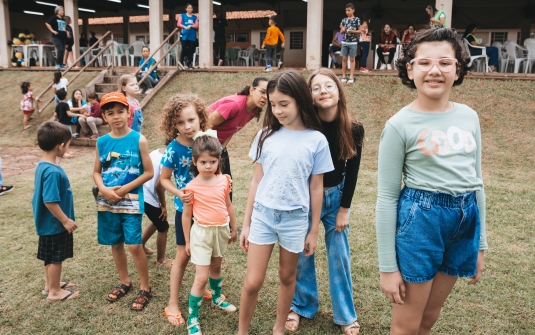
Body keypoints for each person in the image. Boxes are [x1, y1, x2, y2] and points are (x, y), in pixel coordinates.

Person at [378, 28, 487, 333]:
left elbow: (476, 181)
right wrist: (388, 268)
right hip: (421, 220)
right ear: (410, 69)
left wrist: (480, 244)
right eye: (424, 63)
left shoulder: (469, 116)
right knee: (407, 324)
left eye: (445, 62)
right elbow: (386, 197)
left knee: (430, 316)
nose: (435, 70)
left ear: (458, 69)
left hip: (464, 220)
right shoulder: (399, 125)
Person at [237, 70, 334, 335]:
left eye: (284, 104)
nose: (278, 110)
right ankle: (242, 331)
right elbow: (256, 181)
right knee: (253, 280)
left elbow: (317, 187)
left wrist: (313, 230)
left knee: (287, 276)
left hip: (295, 220)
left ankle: (279, 328)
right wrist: (246, 224)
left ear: (300, 100)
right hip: (263, 216)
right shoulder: (265, 135)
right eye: (273, 104)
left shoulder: (316, 140)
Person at [286, 68, 364, 335]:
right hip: (305, 198)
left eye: (328, 86)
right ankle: (301, 305)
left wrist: (344, 209)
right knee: (303, 255)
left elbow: (352, 170)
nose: (323, 91)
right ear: (309, 96)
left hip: (336, 197)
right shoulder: (305, 126)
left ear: (338, 91)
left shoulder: (353, 127)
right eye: (316, 87)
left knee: (339, 256)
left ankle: (345, 315)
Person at [160, 94, 221, 326]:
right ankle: (173, 303)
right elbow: (164, 179)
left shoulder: (207, 141)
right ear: (173, 124)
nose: (187, 126)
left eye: (191, 120)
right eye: (180, 122)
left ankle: (204, 287)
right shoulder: (173, 149)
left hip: (209, 212)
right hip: (185, 212)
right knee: (183, 255)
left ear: (200, 117)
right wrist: (179, 193)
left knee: (207, 253)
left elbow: (219, 167)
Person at [93, 92, 154, 311]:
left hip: (131, 201)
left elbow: (149, 172)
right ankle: (125, 281)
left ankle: (145, 287)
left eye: (121, 111)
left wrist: (125, 188)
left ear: (129, 112)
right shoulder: (102, 142)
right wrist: (103, 189)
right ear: (105, 117)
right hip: (107, 201)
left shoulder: (139, 139)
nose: (116, 116)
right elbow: (97, 172)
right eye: (111, 113)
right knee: (115, 243)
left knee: (134, 244)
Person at [182, 131, 239, 335]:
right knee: (201, 276)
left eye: (212, 161)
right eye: (203, 162)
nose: (208, 166)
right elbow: (186, 216)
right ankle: (192, 318)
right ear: (195, 162)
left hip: (221, 231)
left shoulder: (224, 180)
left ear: (218, 160)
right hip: (201, 234)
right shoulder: (191, 188)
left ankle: (217, 298)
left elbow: (229, 205)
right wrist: (188, 241)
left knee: (217, 266)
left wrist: (233, 228)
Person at [32, 121, 80, 301]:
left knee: (49, 256)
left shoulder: (43, 165)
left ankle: (50, 284)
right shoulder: (52, 171)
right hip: (54, 224)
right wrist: (65, 220)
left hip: (47, 223)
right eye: (68, 144)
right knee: (55, 258)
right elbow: (50, 201)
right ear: (60, 146)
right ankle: (54, 292)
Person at [207, 76, 269, 200]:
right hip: (203, 145)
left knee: (226, 184)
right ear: (252, 90)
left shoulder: (253, 110)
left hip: (217, 147)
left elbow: (232, 130)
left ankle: (225, 218)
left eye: (269, 94)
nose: (266, 97)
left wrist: (222, 149)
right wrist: (205, 151)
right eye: (262, 92)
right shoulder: (234, 105)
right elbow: (205, 124)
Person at [140, 141, 173, 267]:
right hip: (148, 196)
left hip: (142, 191)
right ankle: (161, 260)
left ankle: (141, 244)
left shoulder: (156, 152)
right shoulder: (167, 158)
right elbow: (159, 186)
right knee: (163, 226)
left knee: (157, 220)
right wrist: (163, 205)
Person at [339, 3, 362, 84]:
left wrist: (353, 31)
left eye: (349, 10)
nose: (347, 12)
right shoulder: (343, 20)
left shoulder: (357, 19)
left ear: (353, 10)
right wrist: (343, 29)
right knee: (344, 59)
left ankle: (351, 76)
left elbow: (360, 31)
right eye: (346, 10)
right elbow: (341, 32)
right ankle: (344, 77)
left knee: (352, 59)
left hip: (353, 42)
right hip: (344, 41)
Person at [45, 5, 67, 69]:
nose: (63, 11)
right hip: (56, 37)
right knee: (60, 49)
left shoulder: (63, 19)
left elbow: (63, 28)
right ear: (57, 11)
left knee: (62, 51)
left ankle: (61, 64)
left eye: (63, 10)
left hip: (63, 37)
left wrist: (66, 32)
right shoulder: (54, 18)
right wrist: (52, 31)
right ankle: (57, 64)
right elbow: (47, 23)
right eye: (61, 10)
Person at [178, 3, 199, 69]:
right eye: (189, 8)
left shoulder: (195, 17)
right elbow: (178, 24)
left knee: (191, 50)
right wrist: (184, 26)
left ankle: (189, 63)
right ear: (186, 9)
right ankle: (181, 63)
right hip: (184, 35)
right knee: (183, 49)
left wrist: (191, 26)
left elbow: (196, 25)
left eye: (191, 8)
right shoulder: (182, 16)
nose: (190, 9)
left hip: (192, 36)